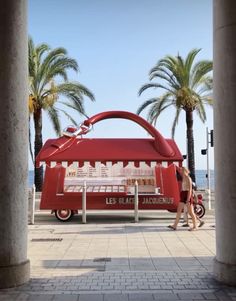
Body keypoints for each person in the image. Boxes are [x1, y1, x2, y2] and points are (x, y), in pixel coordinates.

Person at [168, 167, 198, 231]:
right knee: (179, 210)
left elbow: (190, 190)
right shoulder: (183, 178)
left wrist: (188, 199)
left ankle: (195, 226)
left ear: (185, 171)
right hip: (183, 194)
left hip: (187, 194)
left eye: (181, 170)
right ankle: (175, 225)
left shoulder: (188, 178)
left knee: (191, 212)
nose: (180, 171)